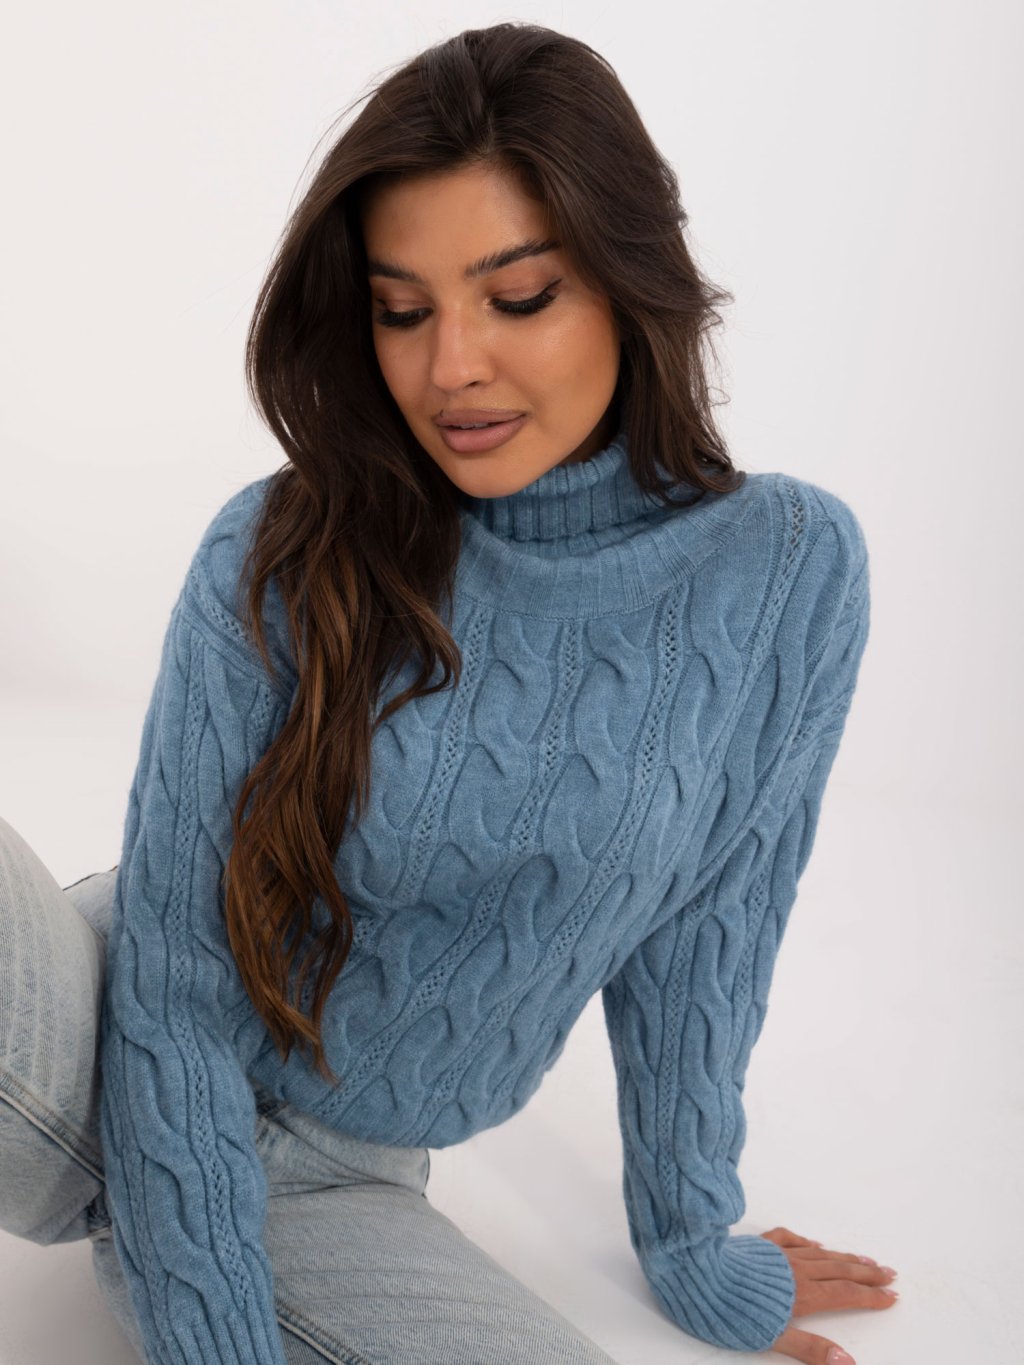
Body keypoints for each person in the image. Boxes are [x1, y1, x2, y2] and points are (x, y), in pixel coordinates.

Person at [0, 21, 893, 1365]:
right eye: (402, 309)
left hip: (341, 1176)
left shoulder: (786, 569)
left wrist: (692, 1239)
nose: (450, 365)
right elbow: (175, 992)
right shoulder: (282, 543)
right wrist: (215, 1318)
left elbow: (714, 927)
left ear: (630, 282)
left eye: (516, 296)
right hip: (98, 1018)